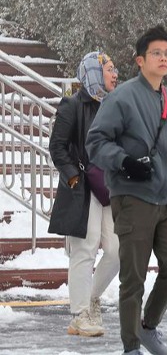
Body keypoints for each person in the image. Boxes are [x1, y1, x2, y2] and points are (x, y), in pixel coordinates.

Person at [86, 26, 167, 355]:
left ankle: (147, 327)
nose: (164, 58)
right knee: (134, 277)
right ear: (140, 60)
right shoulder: (122, 97)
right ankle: (131, 345)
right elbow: (96, 142)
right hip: (134, 198)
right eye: (157, 53)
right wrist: (125, 161)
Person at [48, 51, 120, 337]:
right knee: (84, 250)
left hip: (110, 187)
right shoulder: (73, 105)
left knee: (117, 250)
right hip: (83, 188)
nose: (115, 74)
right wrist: (74, 177)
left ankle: (91, 298)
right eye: (110, 69)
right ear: (93, 72)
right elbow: (58, 147)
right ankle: (79, 314)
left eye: (115, 70)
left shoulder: (115, 105)